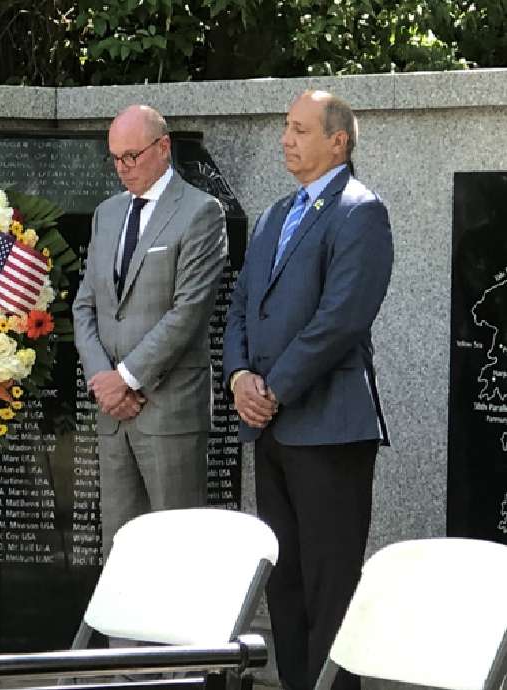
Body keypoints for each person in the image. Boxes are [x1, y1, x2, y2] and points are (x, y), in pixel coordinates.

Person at [223, 90, 392, 690]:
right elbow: (242, 304)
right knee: (286, 581)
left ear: (337, 141)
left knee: (329, 587)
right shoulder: (274, 214)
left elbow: (341, 317)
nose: (286, 139)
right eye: (285, 128)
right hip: (271, 428)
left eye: (299, 129)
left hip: (329, 430)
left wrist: (275, 387)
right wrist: (241, 377)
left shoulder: (360, 210)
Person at [72, 104, 227, 562]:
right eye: (115, 159)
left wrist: (128, 378)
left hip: (169, 411)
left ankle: (177, 640)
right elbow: (86, 304)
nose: (124, 169)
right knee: (120, 554)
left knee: (174, 557)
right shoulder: (107, 214)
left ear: (164, 148)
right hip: (113, 413)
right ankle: (121, 639)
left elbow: (188, 312)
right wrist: (104, 380)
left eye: (132, 156)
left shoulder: (201, 212)